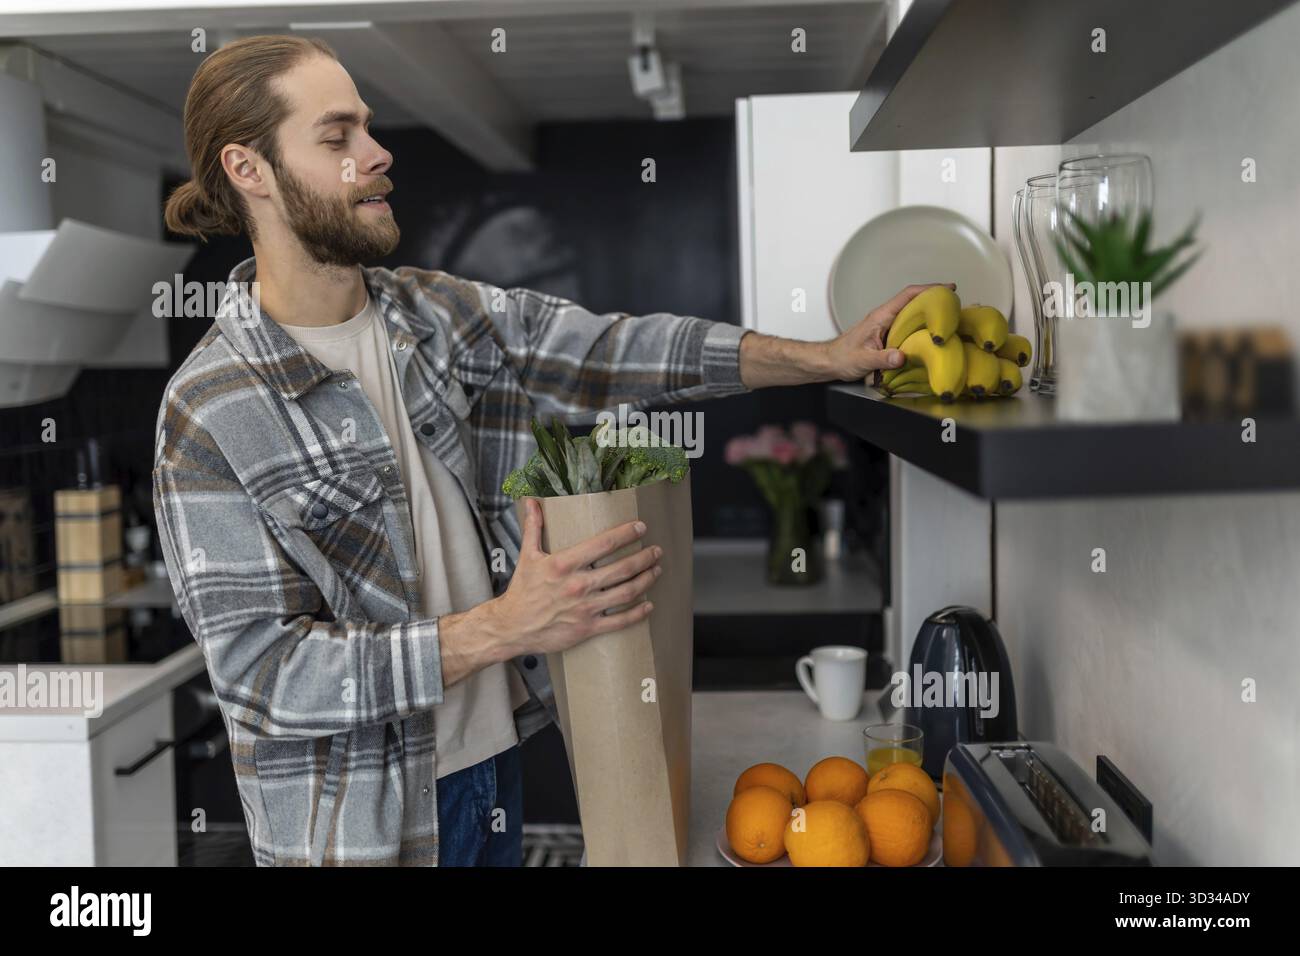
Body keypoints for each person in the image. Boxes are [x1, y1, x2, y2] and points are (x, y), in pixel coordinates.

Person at [153, 34, 945, 866]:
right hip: (360, 828)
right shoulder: (211, 410)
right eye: (337, 136)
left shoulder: (439, 315)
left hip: (494, 770)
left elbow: (613, 352)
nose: (378, 153)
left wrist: (821, 358)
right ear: (249, 169)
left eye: (369, 126)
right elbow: (263, 675)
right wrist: (500, 627)